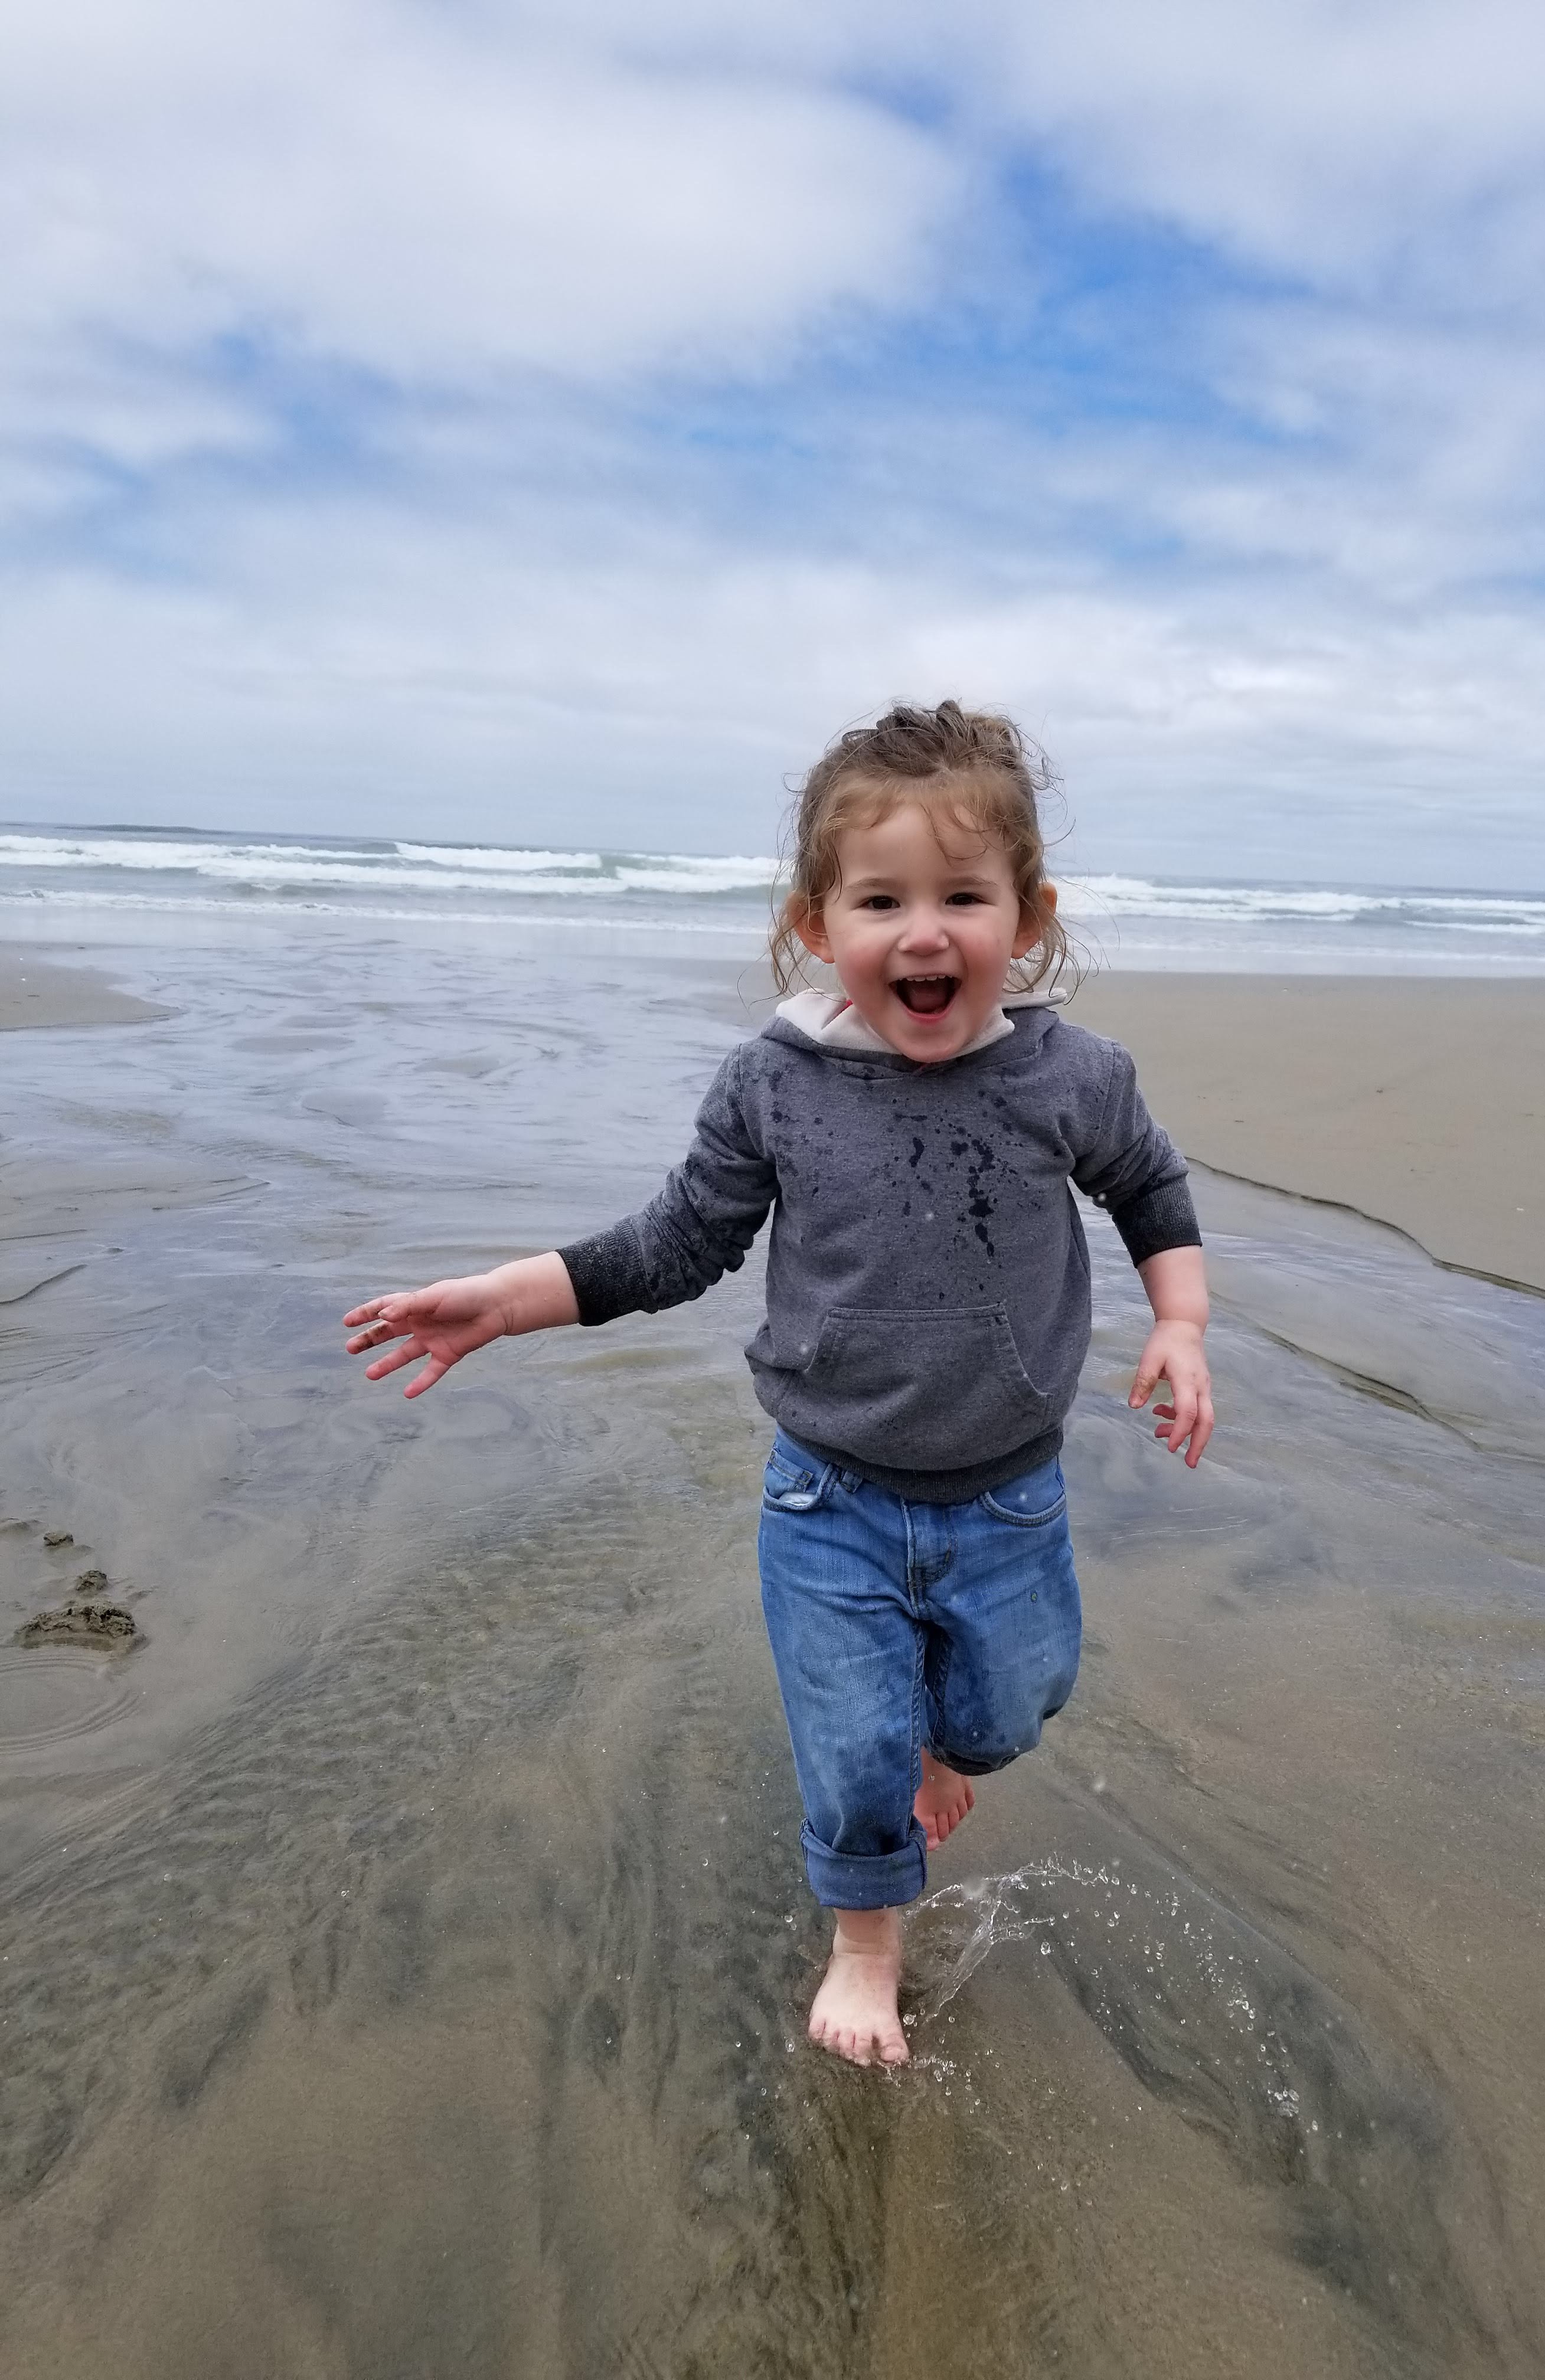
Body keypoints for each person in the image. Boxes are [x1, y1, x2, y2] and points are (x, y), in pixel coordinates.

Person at [344, 701, 1214, 2067]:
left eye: (963, 897)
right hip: (832, 1499)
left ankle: (946, 1754)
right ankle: (866, 1946)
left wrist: (1184, 1323)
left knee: (1014, 1702)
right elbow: (678, 1241)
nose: (923, 932)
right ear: (820, 925)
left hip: (1010, 1497)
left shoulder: (1073, 1075)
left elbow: (1148, 1188)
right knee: (856, 1747)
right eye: (882, 899)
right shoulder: (775, 1085)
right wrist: (506, 1304)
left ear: (1029, 917)